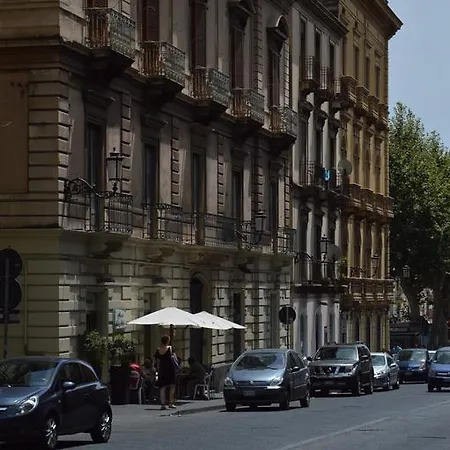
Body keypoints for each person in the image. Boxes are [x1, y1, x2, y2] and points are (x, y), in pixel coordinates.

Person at [154, 335, 177, 410]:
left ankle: (162, 404)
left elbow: (157, 362)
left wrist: (158, 370)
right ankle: (171, 403)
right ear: (167, 341)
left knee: (162, 387)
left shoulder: (158, 350)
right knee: (172, 386)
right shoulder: (170, 348)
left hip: (162, 370)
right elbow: (175, 359)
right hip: (170, 369)